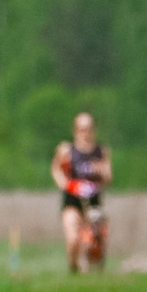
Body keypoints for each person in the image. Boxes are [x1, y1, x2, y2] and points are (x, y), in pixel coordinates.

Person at [52, 111, 112, 272]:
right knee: (73, 238)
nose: (85, 133)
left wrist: (100, 171)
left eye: (89, 129)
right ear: (75, 130)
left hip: (92, 202)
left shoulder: (100, 152)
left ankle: (91, 269)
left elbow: (108, 178)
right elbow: (56, 170)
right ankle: (73, 269)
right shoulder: (66, 150)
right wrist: (65, 184)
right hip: (72, 201)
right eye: (82, 129)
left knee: (94, 243)